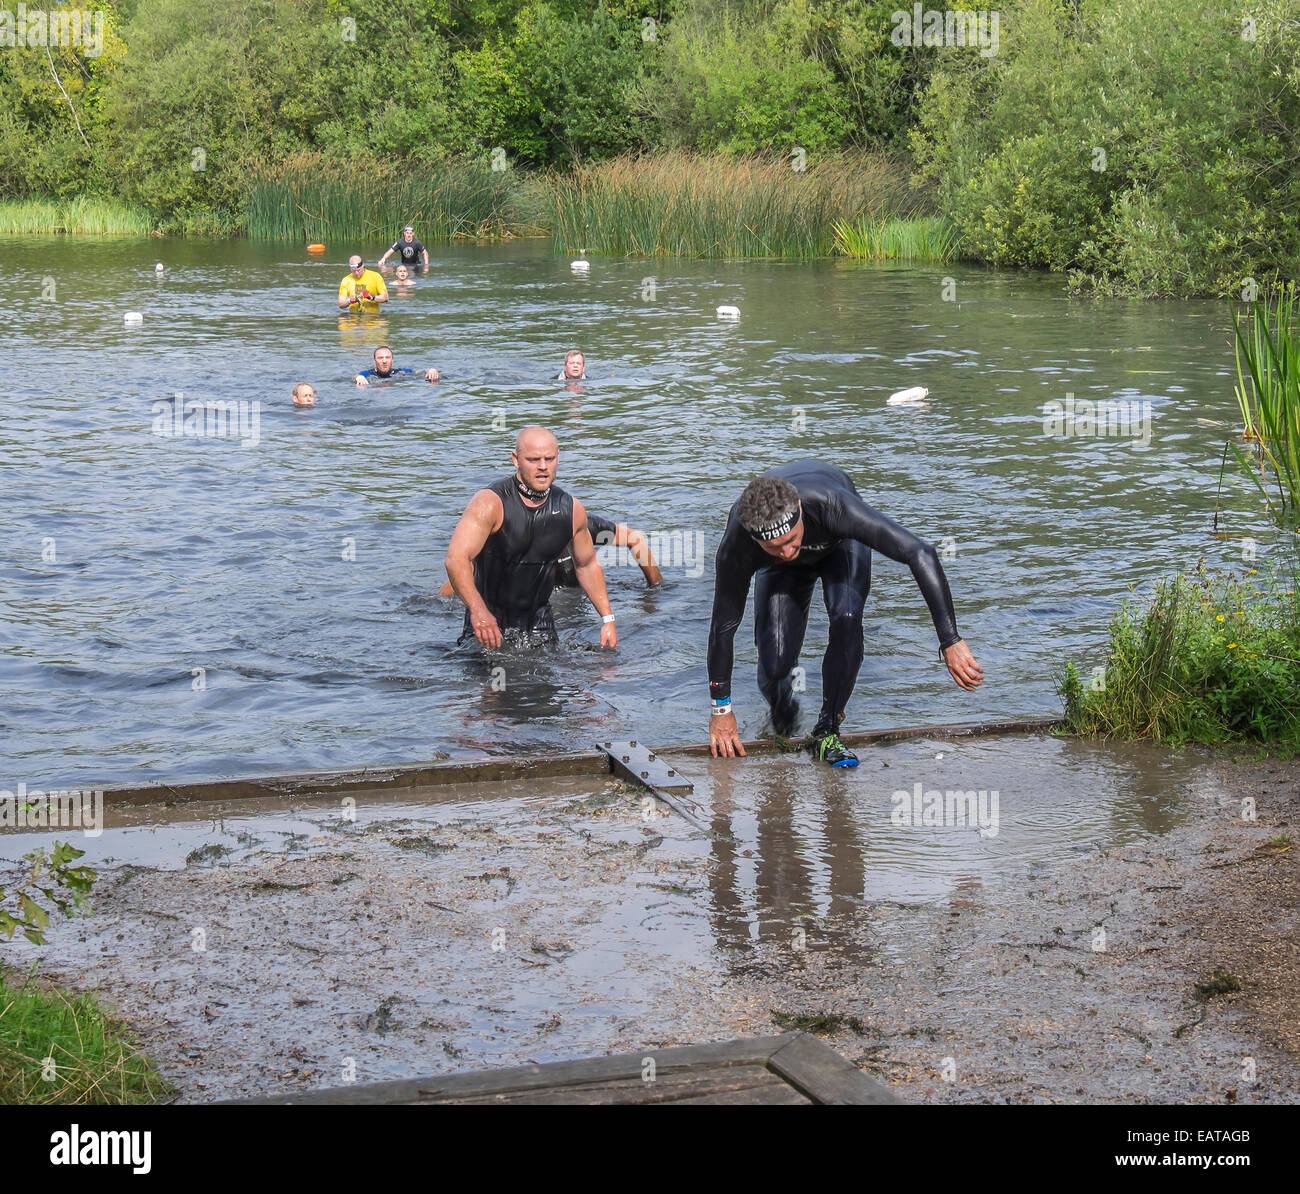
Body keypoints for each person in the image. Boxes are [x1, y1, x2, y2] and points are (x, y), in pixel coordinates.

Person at [706, 460, 983, 767]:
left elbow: (919, 552)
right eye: (774, 547)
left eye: (790, 541)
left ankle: (827, 729)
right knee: (774, 665)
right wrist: (721, 710)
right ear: (754, 537)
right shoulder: (738, 543)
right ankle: (782, 712)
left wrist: (950, 640)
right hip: (781, 574)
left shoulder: (834, 507)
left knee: (846, 618)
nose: (786, 552)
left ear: (798, 508)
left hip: (839, 546)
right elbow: (723, 626)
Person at [445, 426, 617, 649]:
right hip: (489, 619)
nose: (543, 467)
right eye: (533, 459)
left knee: (555, 680)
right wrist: (479, 612)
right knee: (489, 682)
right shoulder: (490, 503)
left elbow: (587, 565)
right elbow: (456, 559)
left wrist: (608, 619)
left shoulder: (570, 510)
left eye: (549, 459)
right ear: (516, 460)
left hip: (539, 623)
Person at [438, 512, 661, 595]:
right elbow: (464, 574)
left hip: (571, 611)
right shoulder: (509, 545)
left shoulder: (579, 526)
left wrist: (656, 589)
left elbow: (635, 539)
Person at [354, 345, 439, 387]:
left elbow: (418, 372)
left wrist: (430, 370)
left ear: (392, 360)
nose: (384, 361)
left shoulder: (399, 372)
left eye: (387, 357)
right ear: (374, 361)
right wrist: (359, 377)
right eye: (380, 358)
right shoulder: (369, 374)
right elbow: (355, 376)